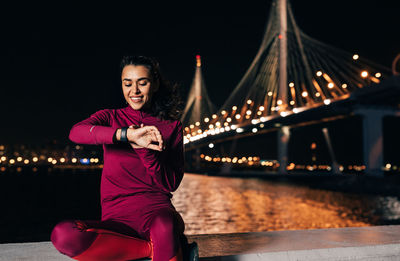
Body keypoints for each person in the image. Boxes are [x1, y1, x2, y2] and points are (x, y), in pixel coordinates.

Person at [50, 55, 198, 261]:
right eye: (127, 84)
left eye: (142, 83)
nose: (134, 91)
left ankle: (159, 244)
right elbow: (76, 132)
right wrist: (126, 135)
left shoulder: (171, 126)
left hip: (157, 215)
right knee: (63, 234)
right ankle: (153, 249)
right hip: (116, 221)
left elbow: (170, 183)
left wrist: (145, 150)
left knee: (164, 226)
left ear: (154, 84)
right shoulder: (110, 118)